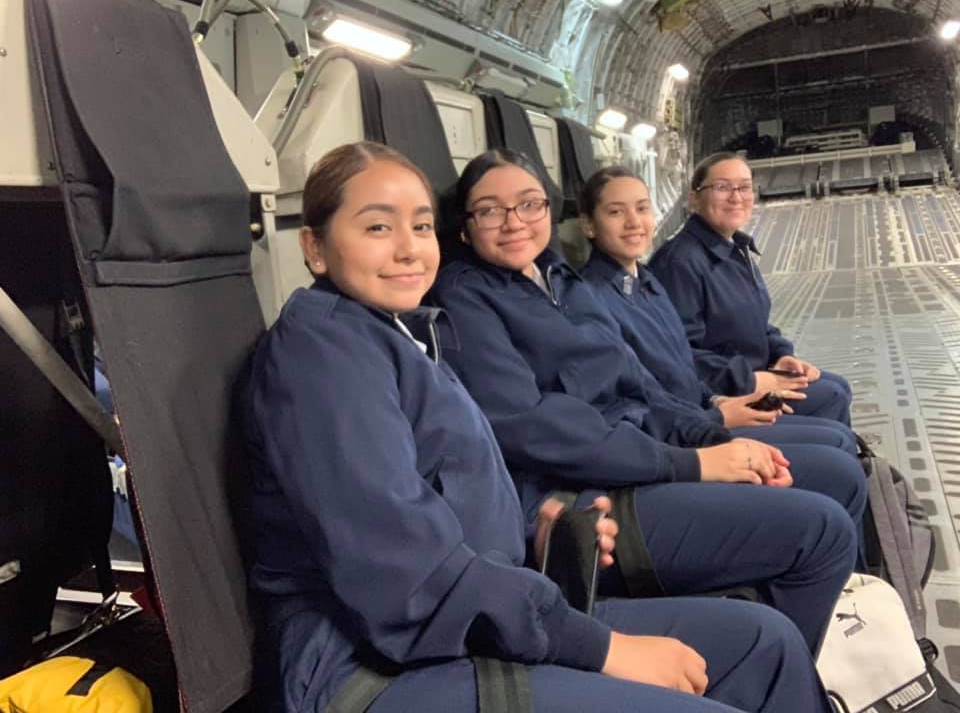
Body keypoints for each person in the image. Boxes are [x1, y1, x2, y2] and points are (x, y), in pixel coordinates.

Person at [243, 142, 835, 713]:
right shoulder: (322, 353)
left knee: (766, 645)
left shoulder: (397, 333)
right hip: (372, 665)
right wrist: (598, 647)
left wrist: (533, 535)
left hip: (478, 607)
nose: (407, 249)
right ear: (315, 248)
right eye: (377, 227)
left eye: (420, 227)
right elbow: (403, 574)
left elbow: (442, 484)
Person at [430, 148, 860, 654]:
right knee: (822, 531)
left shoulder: (559, 279)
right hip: (587, 496)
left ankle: (800, 632)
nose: (513, 222)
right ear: (464, 225)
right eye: (490, 210)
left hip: (639, 454)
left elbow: (639, 382)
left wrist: (712, 435)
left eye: (529, 204)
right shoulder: (463, 299)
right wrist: (691, 462)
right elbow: (536, 427)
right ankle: (777, 660)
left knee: (836, 474)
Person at [577, 165, 857, 454]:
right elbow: (643, 395)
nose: (634, 222)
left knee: (837, 425)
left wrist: (773, 358)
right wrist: (730, 399)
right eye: (616, 212)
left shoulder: (646, 283)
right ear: (588, 225)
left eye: (642, 208)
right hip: (684, 434)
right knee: (834, 436)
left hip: (705, 408)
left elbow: (684, 366)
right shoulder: (596, 300)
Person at [648, 152, 853, 426]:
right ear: (694, 197)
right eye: (722, 187)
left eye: (744, 187)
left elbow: (756, 323)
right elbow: (679, 353)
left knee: (838, 385)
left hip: (747, 373)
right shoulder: (680, 262)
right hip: (721, 391)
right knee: (832, 396)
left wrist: (782, 355)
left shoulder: (735, 250)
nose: (736, 197)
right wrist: (751, 380)